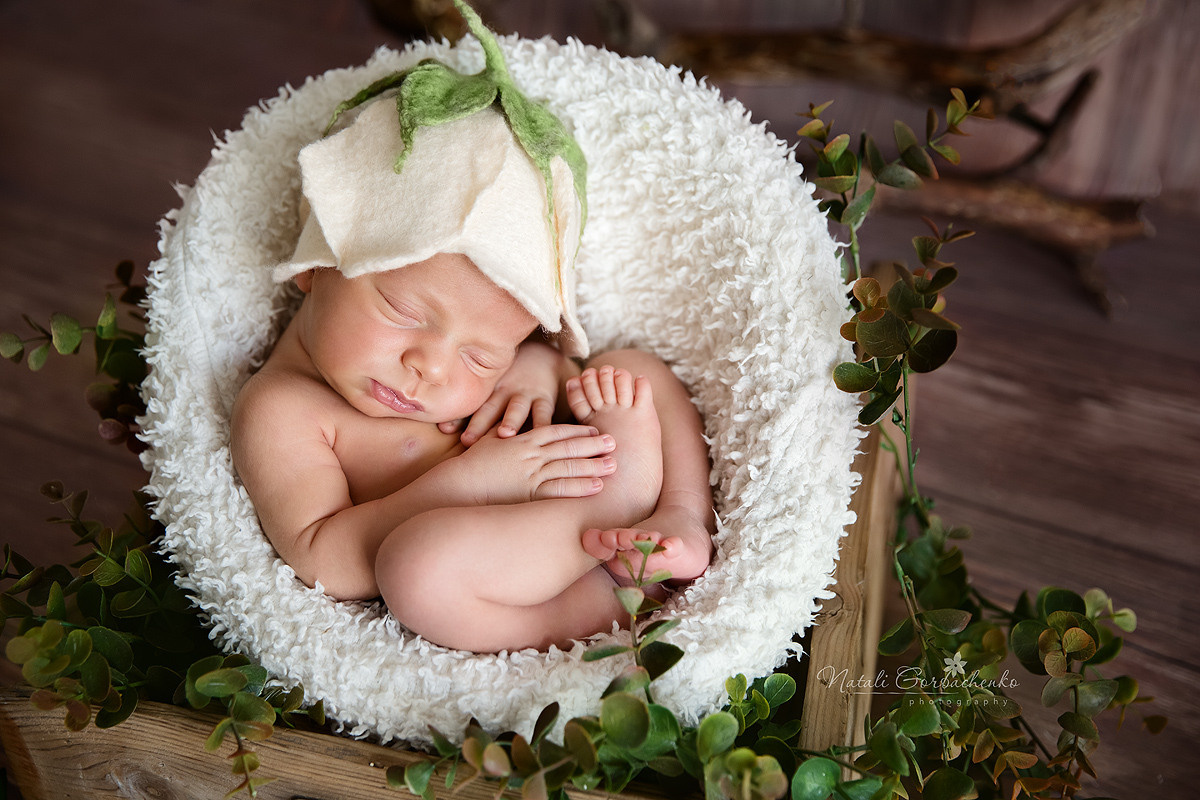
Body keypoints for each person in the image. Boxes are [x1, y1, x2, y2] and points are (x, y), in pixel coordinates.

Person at [230, 6, 714, 653]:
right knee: (415, 569)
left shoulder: (499, 356)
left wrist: (537, 369)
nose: (432, 367)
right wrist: (476, 482)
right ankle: (592, 613)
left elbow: (552, 365)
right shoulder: (282, 409)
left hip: (600, 478)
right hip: (508, 563)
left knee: (633, 372)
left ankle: (680, 511)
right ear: (320, 266)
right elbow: (321, 556)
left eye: (481, 356)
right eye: (405, 313)